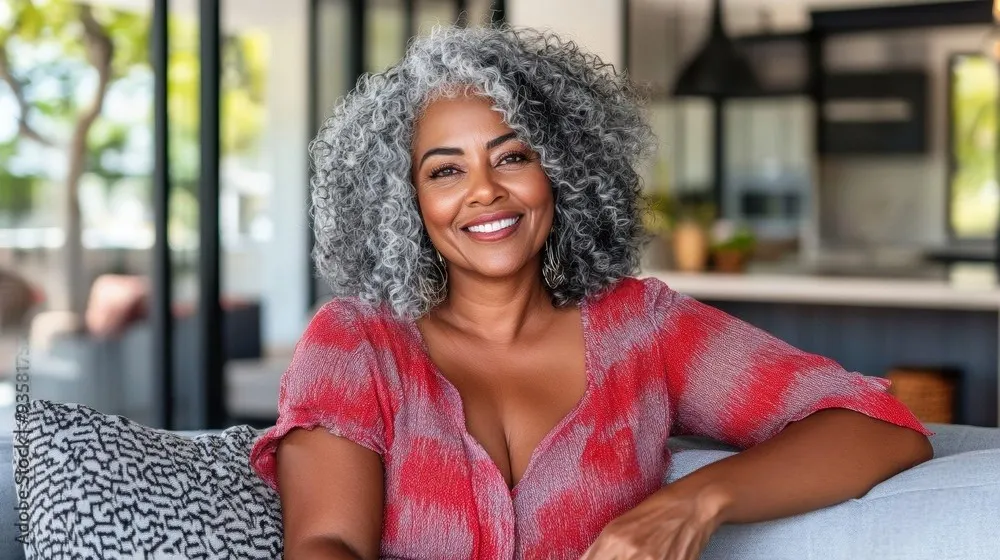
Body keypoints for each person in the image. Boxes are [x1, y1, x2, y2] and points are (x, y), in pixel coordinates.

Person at [249, 25, 933, 560]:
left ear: (563, 169)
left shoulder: (644, 328)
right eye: (444, 171)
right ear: (406, 202)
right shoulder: (358, 343)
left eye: (512, 156)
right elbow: (324, 546)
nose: (484, 191)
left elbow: (878, 426)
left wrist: (690, 504)